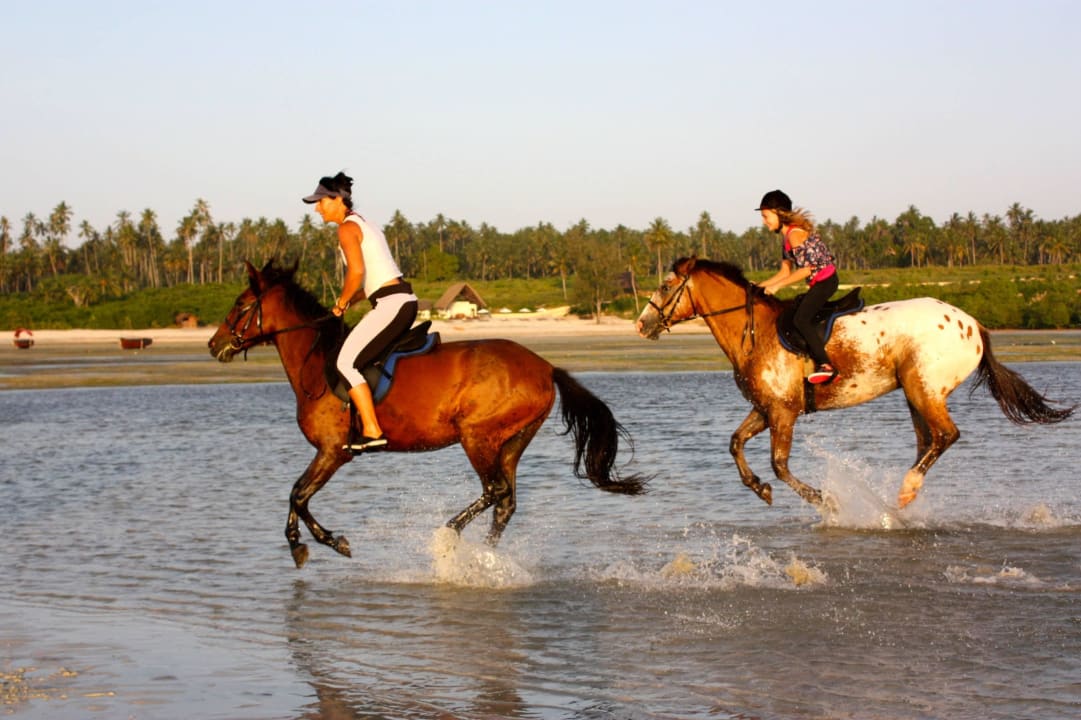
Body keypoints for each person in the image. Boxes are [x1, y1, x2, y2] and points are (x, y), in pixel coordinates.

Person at [303, 172, 418, 451]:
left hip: (393, 304)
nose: (317, 208)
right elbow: (369, 285)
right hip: (396, 300)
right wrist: (345, 304)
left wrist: (342, 301)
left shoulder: (345, 229)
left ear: (338, 200)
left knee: (344, 363)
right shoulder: (365, 223)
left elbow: (356, 272)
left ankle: (372, 429)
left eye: (320, 202)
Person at [755, 189, 839, 384]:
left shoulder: (795, 235)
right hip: (818, 283)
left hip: (826, 281)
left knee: (801, 319)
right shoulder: (785, 240)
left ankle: (826, 365)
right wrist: (758, 286)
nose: (764, 221)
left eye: (766, 216)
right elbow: (784, 273)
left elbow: (807, 270)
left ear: (778, 213)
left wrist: (777, 288)